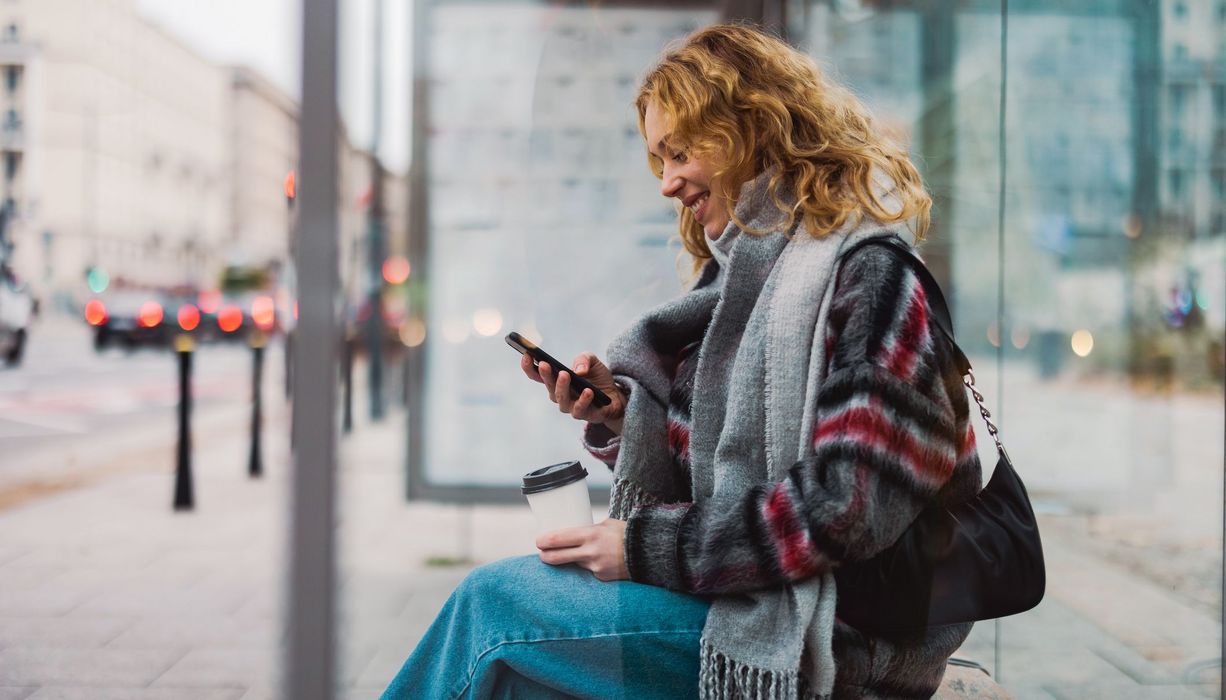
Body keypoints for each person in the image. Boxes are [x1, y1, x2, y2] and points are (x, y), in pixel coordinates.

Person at [382, 23, 983, 700]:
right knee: (522, 680)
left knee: (494, 605)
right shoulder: (742, 289)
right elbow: (712, 470)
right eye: (657, 160)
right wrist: (623, 417)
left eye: (680, 152)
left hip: (842, 637)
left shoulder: (871, 280)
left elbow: (847, 506)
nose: (667, 184)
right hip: (759, 602)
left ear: (752, 127)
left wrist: (643, 547)